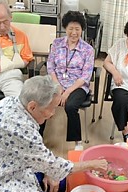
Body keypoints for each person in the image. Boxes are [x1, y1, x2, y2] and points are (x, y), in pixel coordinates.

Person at [0, 75, 107, 192]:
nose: (54, 113)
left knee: (59, 180)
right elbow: (51, 163)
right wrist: (92, 164)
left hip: (6, 163)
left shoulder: (14, 102)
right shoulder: (17, 127)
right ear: (32, 106)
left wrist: (49, 169)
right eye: (52, 108)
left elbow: (37, 153)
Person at [46, 10, 94, 150]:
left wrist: (67, 92)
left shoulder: (88, 50)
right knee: (42, 100)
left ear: (82, 30)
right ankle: (38, 135)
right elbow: (50, 67)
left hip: (77, 85)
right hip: (56, 81)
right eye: (71, 28)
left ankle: (77, 142)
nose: (74, 32)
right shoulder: (56, 44)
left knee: (71, 106)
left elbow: (85, 76)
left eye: (77, 29)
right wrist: (58, 86)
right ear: (65, 28)